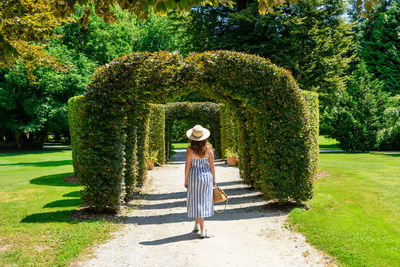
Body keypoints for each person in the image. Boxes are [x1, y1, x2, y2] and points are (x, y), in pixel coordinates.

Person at [184, 124, 216, 238]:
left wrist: (186, 179)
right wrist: (214, 180)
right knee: (202, 201)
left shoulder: (190, 150)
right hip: (207, 177)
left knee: (196, 201)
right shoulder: (209, 148)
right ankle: (197, 224)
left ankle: (202, 229)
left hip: (194, 177)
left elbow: (188, 165)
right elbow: (212, 166)